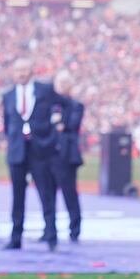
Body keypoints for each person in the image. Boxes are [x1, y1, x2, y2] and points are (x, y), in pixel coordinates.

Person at [2, 58, 64, 251]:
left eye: (24, 69)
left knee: (46, 194)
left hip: (40, 149)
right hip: (17, 150)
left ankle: (51, 237)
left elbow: (65, 105)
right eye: (17, 70)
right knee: (17, 196)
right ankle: (15, 238)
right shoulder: (8, 95)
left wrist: (53, 132)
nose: (21, 74)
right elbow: (7, 122)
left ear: (31, 71)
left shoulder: (44, 90)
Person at [50, 70, 84, 243]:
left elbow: (71, 125)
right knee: (48, 194)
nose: (62, 86)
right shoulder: (51, 105)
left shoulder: (75, 105)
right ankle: (50, 229)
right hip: (50, 154)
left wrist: (59, 122)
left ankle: (75, 228)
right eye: (59, 83)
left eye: (65, 83)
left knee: (69, 192)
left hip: (67, 155)